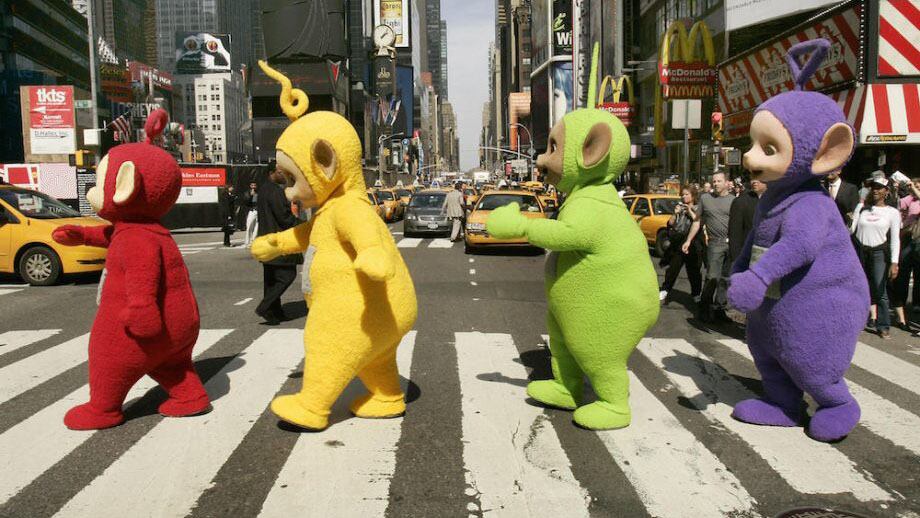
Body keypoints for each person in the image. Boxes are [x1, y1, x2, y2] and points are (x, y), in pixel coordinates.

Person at [851, 177, 901, 338]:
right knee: (859, 288)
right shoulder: (862, 208)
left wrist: (894, 262)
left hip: (879, 252)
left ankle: (883, 325)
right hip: (860, 251)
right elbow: (852, 230)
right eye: (873, 187)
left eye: (879, 188)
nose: (875, 190)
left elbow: (895, 239)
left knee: (880, 290)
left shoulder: (892, 212)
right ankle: (857, 321)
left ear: (886, 191)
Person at [683, 171, 734, 322]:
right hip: (715, 243)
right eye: (714, 181)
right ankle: (704, 309)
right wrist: (688, 240)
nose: (715, 184)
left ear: (726, 183)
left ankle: (719, 310)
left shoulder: (734, 201)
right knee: (712, 277)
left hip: (731, 244)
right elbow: (697, 221)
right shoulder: (706, 199)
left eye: (719, 181)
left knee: (726, 279)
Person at [254, 169, 302, 325]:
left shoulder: (264, 190)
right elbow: (284, 218)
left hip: (266, 240)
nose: (285, 176)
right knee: (287, 275)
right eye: (281, 173)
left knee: (271, 279)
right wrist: (302, 225)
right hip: (279, 240)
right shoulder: (275, 191)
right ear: (272, 172)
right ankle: (265, 307)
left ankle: (275, 312)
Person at [660, 185, 702, 304]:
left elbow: (698, 221)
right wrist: (675, 213)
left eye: (687, 194)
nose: (684, 197)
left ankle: (696, 293)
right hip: (678, 241)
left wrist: (689, 211)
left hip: (693, 242)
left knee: (693, 270)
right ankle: (665, 289)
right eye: (683, 194)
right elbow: (670, 223)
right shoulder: (679, 207)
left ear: (693, 196)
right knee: (673, 268)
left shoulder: (698, 208)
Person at [891, 177, 920, 331]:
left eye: (918, 186)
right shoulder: (909, 199)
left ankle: (916, 303)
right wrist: (896, 190)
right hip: (907, 237)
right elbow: (897, 207)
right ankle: (899, 302)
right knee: (903, 271)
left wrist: (913, 188)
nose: (915, 188)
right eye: (914, 186)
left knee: (918, 273)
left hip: (918, 238)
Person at [729, 179, 766, 263]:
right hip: (749, 258)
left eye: (759, 176)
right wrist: (737, 262)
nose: (754, 181)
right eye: (753, 177)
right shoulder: (741, 202)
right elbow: (735, 235)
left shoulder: (779, 200)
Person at [242, 181, 259, 246]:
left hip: (258, 211)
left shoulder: (259, 192)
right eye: (252, 185)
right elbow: (246, 202)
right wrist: (251, 196)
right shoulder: (247, 193)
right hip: (251, 211)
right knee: (249, 226)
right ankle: (247, 242)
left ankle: (253, 241)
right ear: (250, 186)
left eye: (255, 185)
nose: (253, 187)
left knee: (257, 227)